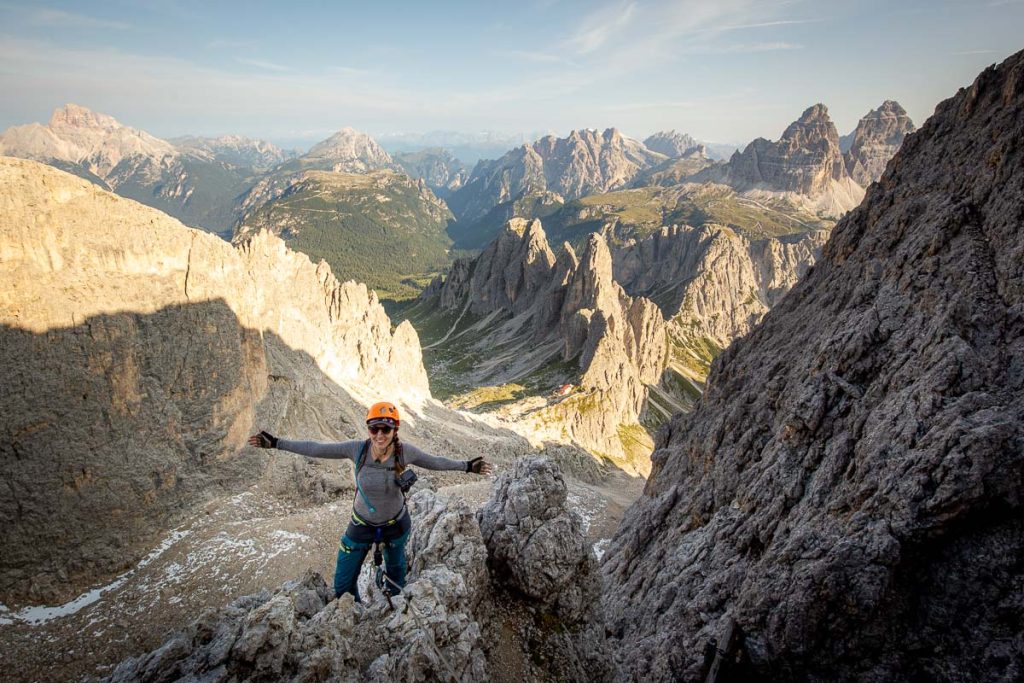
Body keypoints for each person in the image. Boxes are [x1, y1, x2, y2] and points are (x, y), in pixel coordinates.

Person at [248, 401, 493, 602]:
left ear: (395, 430)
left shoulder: (404, 452)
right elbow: (317, 448)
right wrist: (277, 443)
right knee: (342, 585)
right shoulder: (357, 449)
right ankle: (354, 611)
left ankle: (394, 603)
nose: (379, 435)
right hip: (361, 525)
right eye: (374, 428)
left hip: (396, 525)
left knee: (396, 572)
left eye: (385, 429)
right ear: (368, 429)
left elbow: (435, 461)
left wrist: (467, 467)